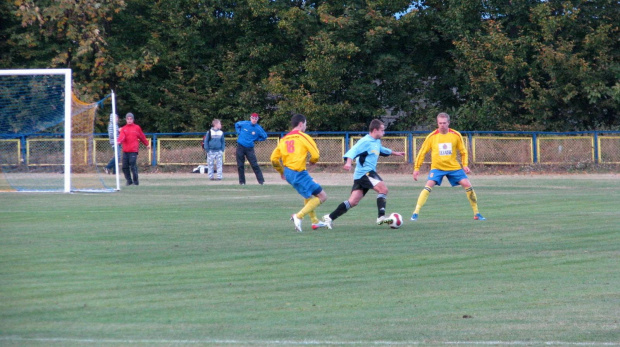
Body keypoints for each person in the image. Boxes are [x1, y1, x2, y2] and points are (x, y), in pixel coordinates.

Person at [322, 119, 405, 229]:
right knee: (383, 189)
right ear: (375, 130)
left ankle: (330, 218)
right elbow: (353, 151)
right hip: (365, 173)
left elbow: (382, 150)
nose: (383, 133)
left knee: (353, 201)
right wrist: (348, 163)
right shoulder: (365, 141)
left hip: (361, 176)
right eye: (382, 130)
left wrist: (395, 153)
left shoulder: (376, 141)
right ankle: (381, 218)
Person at [410, 112, 485, 221]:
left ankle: (477, 213)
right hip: (437, 168)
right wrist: (416, 168)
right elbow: (422, 153)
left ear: (448, 123)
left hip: (453, 167)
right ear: (437, 123)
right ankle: (415, 213)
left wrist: (465, 165)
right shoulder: (432, 137)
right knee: (428, 186)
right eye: (440, 123)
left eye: (444, 123)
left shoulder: (456, 135)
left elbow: (463, 151)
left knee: (468, 185)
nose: (442, 125)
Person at [270, 114, 329, 232]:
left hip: (289, 174)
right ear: (301, 124)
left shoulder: (283, 139)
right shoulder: (303, 137)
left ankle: (315, 222)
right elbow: (316, 154)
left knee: (308, 195)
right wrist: (313, 161)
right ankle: (298, 216)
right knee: (322, 196)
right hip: (299, 173)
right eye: (306, 124)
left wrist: (281, 172)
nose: (306, 127)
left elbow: (273, 159)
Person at [117, 113, 150, 186]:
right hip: (125, 151)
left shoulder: (137, 128)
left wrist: (147, 144)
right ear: (126, 120)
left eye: (130, 119)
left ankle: (136, 181)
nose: (129, 120)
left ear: (133, 119)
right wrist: (118, 141)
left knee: (132, 165)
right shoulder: (124, 129)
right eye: (128, 119)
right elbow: (122, 137)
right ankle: (129, 181)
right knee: (124, 167)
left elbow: (142, 137)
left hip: (133, 150)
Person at [235, 112, 267, 185]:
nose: (254, 120)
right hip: (240, 146)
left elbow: (264, 136)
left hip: (249, 148)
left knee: (254, 164)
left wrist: (256, 139)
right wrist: (239, 132)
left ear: (257, 119)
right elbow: (237, 124)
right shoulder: (244, 123)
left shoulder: (258, 128)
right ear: (250, 118)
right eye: (253, 118)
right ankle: (242, 182)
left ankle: (261, 181)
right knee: (240, 165)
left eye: (255, 119)